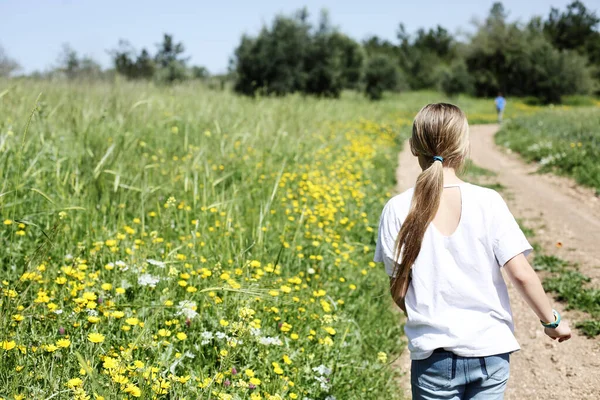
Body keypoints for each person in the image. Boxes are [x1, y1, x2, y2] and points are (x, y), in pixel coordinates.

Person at [374, 103, 571, 400]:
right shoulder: (488, 202)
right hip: (490, 352)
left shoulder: (397, 208)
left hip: (433, 359)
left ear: (414, 148)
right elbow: (520, 273)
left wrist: (427, 314)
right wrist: (551, 322)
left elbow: (399, 289)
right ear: (464, 148)